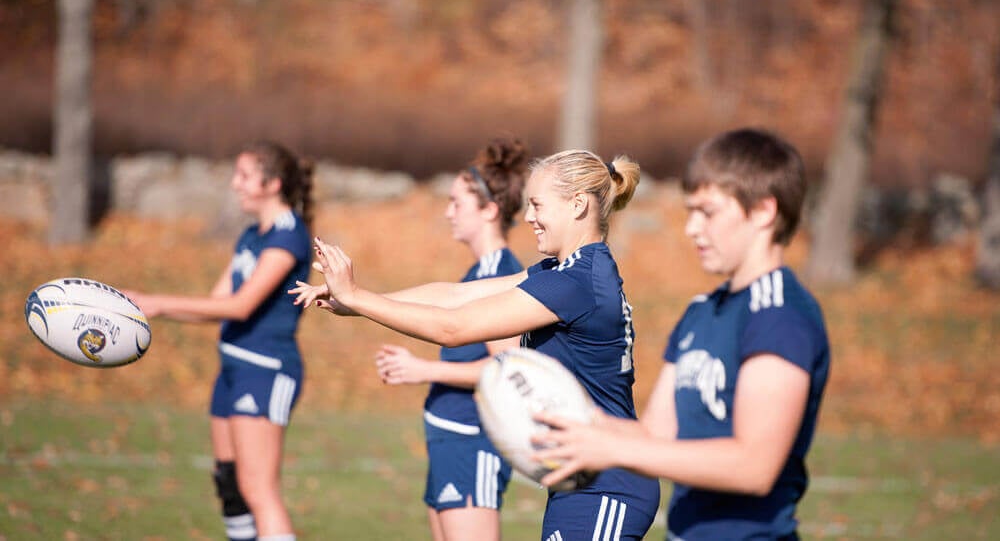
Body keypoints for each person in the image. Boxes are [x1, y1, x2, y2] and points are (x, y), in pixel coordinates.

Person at [291, 149, 661, 540]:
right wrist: (356, 301)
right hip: (587, 480)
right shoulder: (566, 272)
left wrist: (359, 300)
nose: (529, 217)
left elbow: (453, 327)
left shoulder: (575, 282)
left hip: (607, 484)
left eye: (537, 205)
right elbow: (455, 296)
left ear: (578, 205)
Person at [531, 128, 831, 540]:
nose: (691, 228)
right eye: (690, 211)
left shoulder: (781, 315)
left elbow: (754, 467)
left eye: (707, 212)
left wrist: (612, 448)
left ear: (763, 211)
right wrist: (580, 426)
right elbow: (655, 435)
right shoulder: (700, 313)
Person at [127, 141, 314, 541]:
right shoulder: (251, 236)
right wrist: (138, 309)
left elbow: (241, 306)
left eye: (244, 175)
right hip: (232, 370)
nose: (235, 184)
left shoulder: (289, 236)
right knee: (230, 484)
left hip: (265, 372)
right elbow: (215, 305)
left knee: (259, 490)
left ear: (272, 183)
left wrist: (158, 303)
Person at [369, 138, 529, 541]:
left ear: (490, 210)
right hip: (448, 441)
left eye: (457, 203)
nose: (447, 212)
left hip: (472, 443)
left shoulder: (502, 275)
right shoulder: (477, 274)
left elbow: (506, 368)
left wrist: (422, 369)